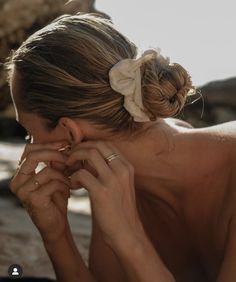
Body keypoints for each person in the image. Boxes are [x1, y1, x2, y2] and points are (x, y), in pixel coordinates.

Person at [4, 12, 236, 282]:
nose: (29, 149)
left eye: (30, 134)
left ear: (71, 135)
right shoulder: (113, 183)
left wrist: (130, 238)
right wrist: (57, 236)